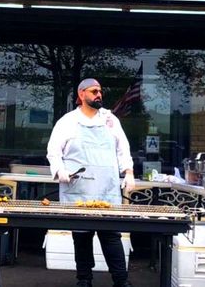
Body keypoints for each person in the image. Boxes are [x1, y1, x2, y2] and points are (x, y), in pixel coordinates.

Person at [47, 78, 135, 287]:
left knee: (111, 235)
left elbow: (123, 149)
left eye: (100, 91)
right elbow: (53, 152)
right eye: (94, 91)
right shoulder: (67, 121)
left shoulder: (110, 120)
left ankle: (121, 280)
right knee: (82, 235)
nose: (99, 95)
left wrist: (129, 172)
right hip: (79, 189)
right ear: (81, 95)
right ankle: (84, 279)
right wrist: (61, 171)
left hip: (107, 189)